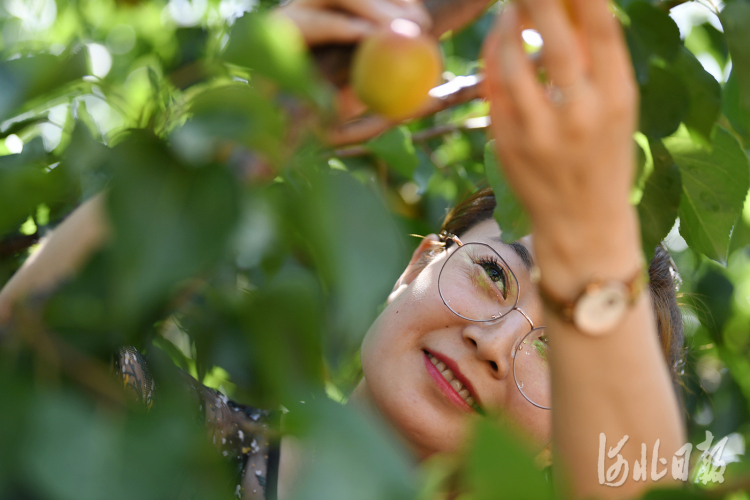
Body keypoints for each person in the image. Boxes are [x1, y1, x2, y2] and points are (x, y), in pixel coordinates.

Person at [0, 0, 687, 499]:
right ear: (416, 264)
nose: (494, 343)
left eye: (557, 348)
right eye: (493, 275)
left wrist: (594, 231)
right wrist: (253, 129)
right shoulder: (176, 447)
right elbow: (25, 345)